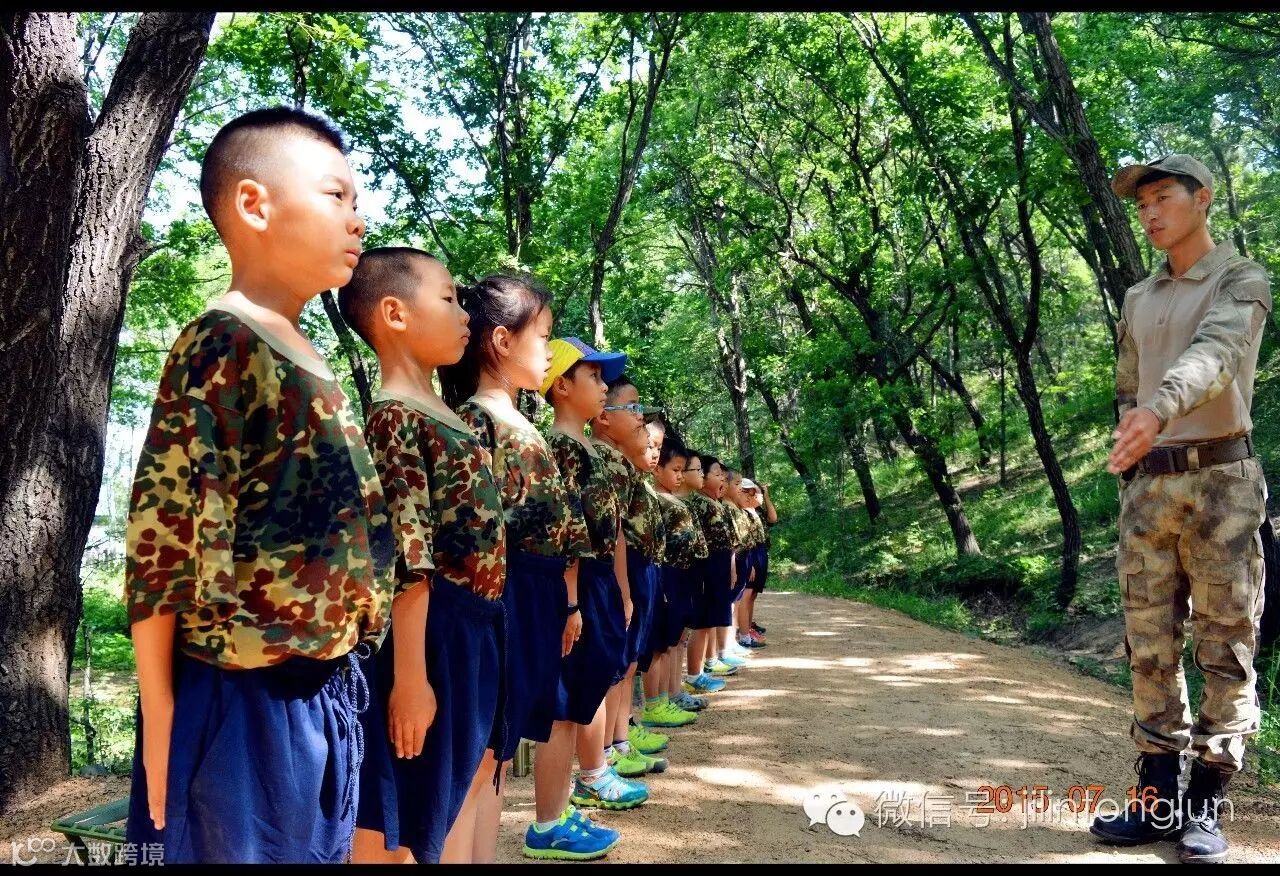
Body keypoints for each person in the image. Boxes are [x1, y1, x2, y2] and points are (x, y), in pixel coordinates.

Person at [123, 107, 393, 864]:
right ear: (253, 204)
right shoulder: (222, 342)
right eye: (336, 195)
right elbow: (165, 544)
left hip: (317, 689)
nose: (358, 218)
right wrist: (161, 716)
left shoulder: (304, 349)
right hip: (237, 702)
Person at [1093, 154, 1272, 864]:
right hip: (1150, 488)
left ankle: (1207, 803)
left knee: (1226, 643)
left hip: (1222, 482)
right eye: (1141, 205)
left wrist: (1157, 409)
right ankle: (1157, 797)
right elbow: (1127, 383)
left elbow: (1217, 352)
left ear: (1203, 199)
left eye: (1163, 198)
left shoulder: (1240, 278)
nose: (1149, 214)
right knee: (1148, 645)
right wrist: (1131, 441)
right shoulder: (1140, 295)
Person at [440, 276, 620, 861]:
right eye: (542, 336)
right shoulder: (476, 422)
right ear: (501, 341)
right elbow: (474, 536)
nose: (548, 350)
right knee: (480, 750)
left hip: (538, 592)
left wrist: (566, 603)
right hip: (504, 593)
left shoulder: (521, 425)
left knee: (498, 749)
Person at [338, 247, 507, 864]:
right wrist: (411, 678)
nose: (464, 315)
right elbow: (410, 558)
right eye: (448, 299)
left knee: (461, 783)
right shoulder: (393, 417)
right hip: (432, 633)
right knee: (405, 811)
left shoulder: (445, 414)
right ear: (395, 314)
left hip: (476, 626)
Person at [543, 339, 651, 812]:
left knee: (597, 677)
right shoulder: (561, 447)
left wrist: (623, 591)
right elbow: (566, 529)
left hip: (600, 577)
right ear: (561, 387)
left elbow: (616, 528)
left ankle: (594, 772)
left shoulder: (588, 448)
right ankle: (579, 786)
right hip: (579, 579)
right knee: (573, 691)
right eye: (593, 376)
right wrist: (571, 600)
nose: (604, 386)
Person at [587, 376, 673, 780]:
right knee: (617, 663)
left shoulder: (621, 463)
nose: (641, 418)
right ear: (604, 418)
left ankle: (619, 741)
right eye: (633, 408)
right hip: (621, 566)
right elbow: (617, 531)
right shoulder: (603, 460)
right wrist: (623, 588)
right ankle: (607, 750)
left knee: (628, 660)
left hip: (637, 565)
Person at [652, 435, 711, 714]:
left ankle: (674, 693)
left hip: (686, 574)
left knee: (678, 638)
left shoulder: (675, 501)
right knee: (665, 642)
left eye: (681, 470)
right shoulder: (657, 500)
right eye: (675, 470)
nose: (679, 476)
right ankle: (659, 700)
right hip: (669, 574)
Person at [685, 454, 739, 685]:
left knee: (711, 618)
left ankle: (708, 663)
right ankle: (695, 674)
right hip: (707, 566)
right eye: (716, 474)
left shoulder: (713, 502)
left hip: (718, 564)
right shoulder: (699, 503)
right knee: (703, 620)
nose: (722, 479)